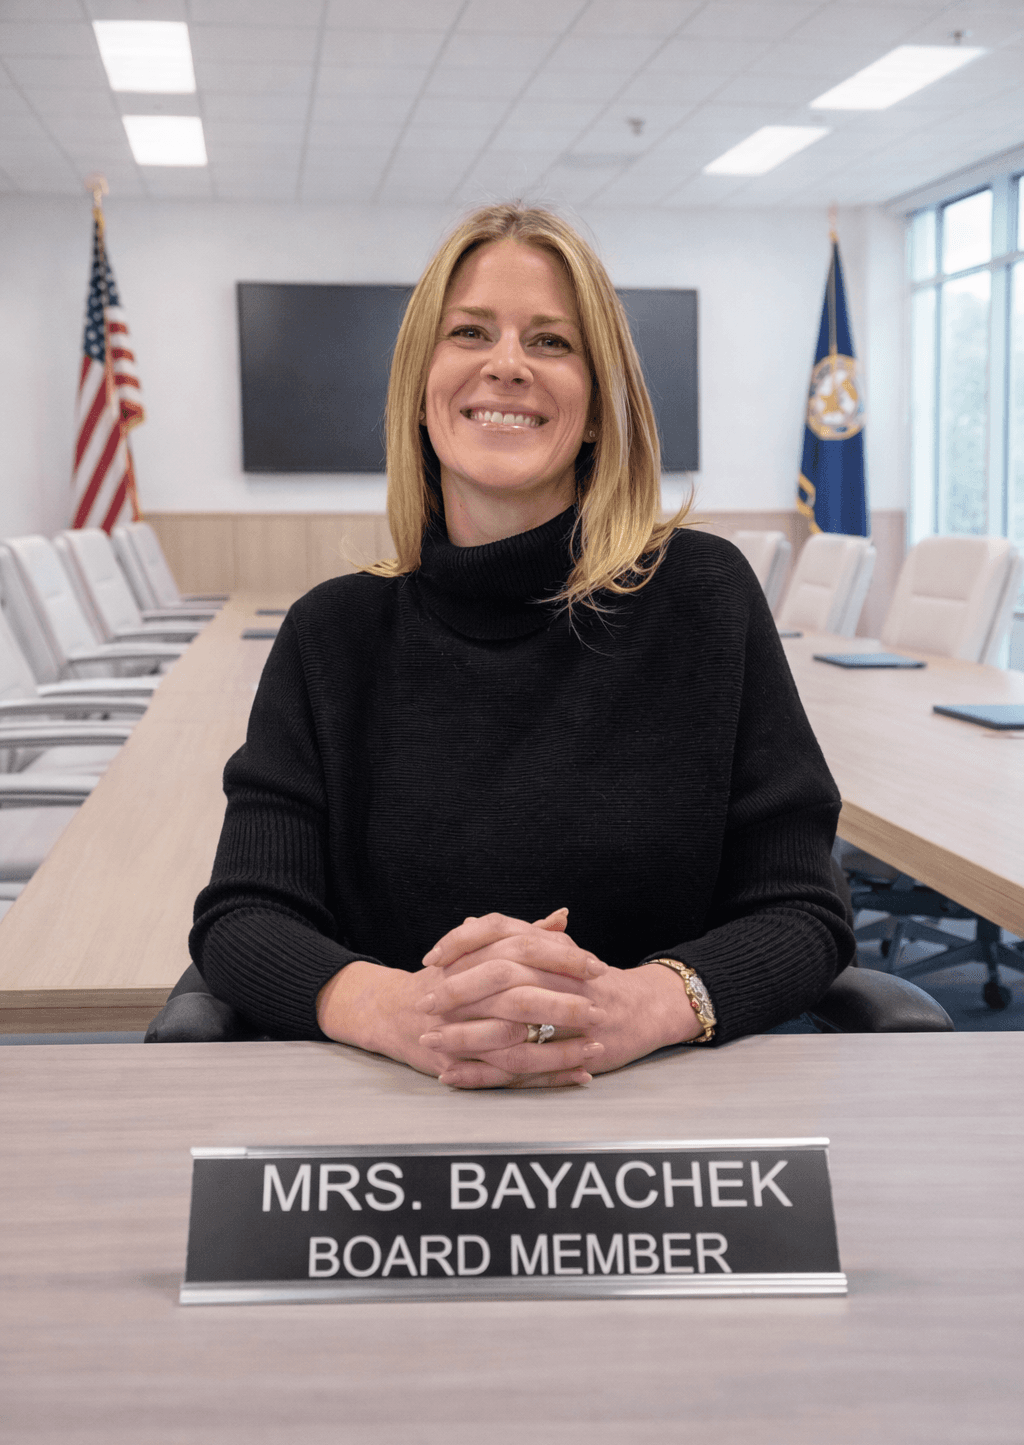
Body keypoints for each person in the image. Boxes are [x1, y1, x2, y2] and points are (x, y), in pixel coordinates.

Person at [190, 204, 854, 1089]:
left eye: (551, 342)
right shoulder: (331, 635)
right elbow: (243, 915)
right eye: (470, 332)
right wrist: (405, 1014)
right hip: (391, 1111)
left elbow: (804, 907)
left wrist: (629, 1010)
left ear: (594, 409)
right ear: (422, 393)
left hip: (667, 1117)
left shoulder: (706, 598)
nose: (507, 364)